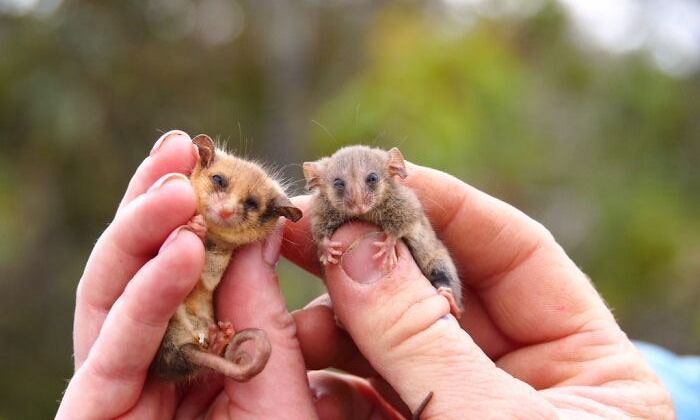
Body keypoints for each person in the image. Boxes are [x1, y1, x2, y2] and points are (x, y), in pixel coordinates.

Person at [56, 130, 680, 419]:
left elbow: (416, 237)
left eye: (371, 186)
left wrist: (424, 298)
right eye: (340, 188)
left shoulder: (400, 207)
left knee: (435, 263)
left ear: (394, 175)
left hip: (428, 296)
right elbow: (323, 231)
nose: (356, 202)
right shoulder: (305, 216)